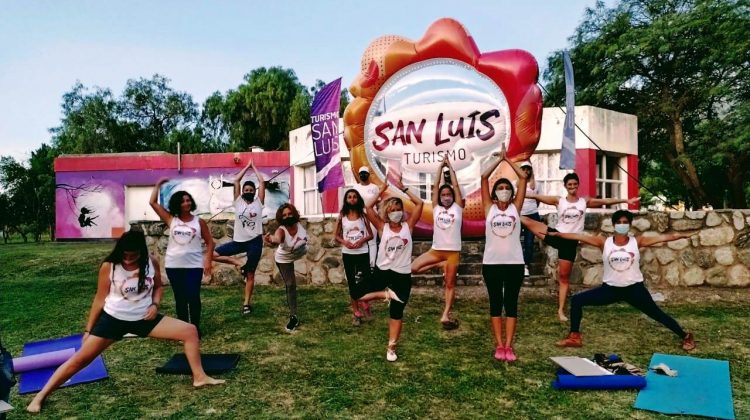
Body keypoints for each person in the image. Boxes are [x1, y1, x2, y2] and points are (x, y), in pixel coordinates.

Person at [26, 231, 224, 414]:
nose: (128, 259)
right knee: (80, 360)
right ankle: (41, 396)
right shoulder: (109, 266)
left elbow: (157, 287)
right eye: (125, 255)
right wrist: (88, 329)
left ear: (142, 251)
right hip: (113, 320)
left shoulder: (151, 262)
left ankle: (199, 377)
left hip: (144, 319)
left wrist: (155, 305)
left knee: (190, 331)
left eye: (133, 255)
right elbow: (99, 298)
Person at [550, 210, 696, 351]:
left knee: (657, 314)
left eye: (625, 222)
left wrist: (684, 235)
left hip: (634, 289)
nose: (622, 224)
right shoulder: (604, 242)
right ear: (614, 225)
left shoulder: (637, 241)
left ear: (629, 225)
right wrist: (557, 234)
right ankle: (574, 337)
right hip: (610, 290)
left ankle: (685, 336)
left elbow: (665, 237)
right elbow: (579, 237)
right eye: (619, 222)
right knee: (577, 300)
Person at [522, 173, 640, 321]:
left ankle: (560, 311)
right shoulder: (559, 200)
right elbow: (535, 197)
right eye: (569, 185)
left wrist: (626, 200)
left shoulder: (584, 202)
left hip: (570, 242)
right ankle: (506, 211)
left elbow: (605, 200)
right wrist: (515, 196)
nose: (572, 187)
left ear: (578, 185)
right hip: (555, 235)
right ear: (565, 186)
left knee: (564, 278)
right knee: (525, 220)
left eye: (574, 184)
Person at [356, 175, 424, 361]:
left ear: (402, 211)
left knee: (396, 313)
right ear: (386, 212)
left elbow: (419, 205)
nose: (396, 212)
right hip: (382, 272)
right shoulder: (381, 226)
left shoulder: (408, 226)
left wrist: (404, 188)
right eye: (392, 210)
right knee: (358, 294)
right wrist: (382, 187)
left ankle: (391, 348)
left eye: (398, 209)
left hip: (401, 274)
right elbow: (367, 208)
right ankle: (386, 294)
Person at [480, 145, 527, 362]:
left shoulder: (515, 208)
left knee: (511, 303)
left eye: (507, 187)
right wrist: (498, 161)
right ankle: (499, 345)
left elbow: (523, 178)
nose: (504, 190)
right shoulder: (489, 207)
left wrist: (509, 161)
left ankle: (509, 345)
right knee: (495, 303)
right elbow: (483, 177)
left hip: (515, 263)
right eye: (500, 187)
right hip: (491, 263)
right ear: (495, 192)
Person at [150, 179, 214, 333]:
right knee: (180, 298)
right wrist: (157, 184)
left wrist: (208, 261)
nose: (187, 203)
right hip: (174, 266)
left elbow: (210, 243)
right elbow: (152, 203)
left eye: (188, 200)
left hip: (194, 266)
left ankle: (195, 328)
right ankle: (184, 329)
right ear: (177, 204)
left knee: (193, 297)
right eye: (183, 201)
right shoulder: (171, 219)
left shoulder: (200, 222)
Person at [411, 157, 464, 330]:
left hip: (452, 253)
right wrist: (440, 167)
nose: (447, 197)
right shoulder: (436, 208)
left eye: (449, 195)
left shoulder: (458, 208)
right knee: (413, 268)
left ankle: (445, 314)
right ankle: (439, 264)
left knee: (449, 285)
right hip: (436, 251)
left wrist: (452, 169)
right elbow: (434, 188)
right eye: (444, 195)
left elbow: (456, 187)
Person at [212, 159, 265, 316]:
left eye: (251, 189)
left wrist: (254, 167)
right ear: (242, 191)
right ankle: (238, 263)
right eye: (246, 189)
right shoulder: (238, 202)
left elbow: (262, 181)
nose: (248, 191)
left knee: (250, 274)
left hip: (255, 242)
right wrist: (247, 166)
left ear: (254, 191)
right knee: (213, 254)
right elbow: (236, 180)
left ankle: (246, 303)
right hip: (239, 241)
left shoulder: (259, 203)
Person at [264, 203, 308, 333]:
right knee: (290, 284)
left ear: (294, 213)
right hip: (284, 258)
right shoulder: (281, 230)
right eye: (284, 215)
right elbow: (277, 238)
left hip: (301, 252)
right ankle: (294, 316)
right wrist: (271, 240)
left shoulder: (299, 224)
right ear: (281, 218)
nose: (288, 216)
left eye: (289, 213)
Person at [334, 189, 374, 326]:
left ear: (358, 199)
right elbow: (336, 235)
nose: (352, 199)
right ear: (346, 200)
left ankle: (364, 300)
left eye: (354, 197)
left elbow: (370, 235)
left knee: (366, 279)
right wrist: (345, 242)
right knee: (352, 282)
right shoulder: (342, 216)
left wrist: (362, 240)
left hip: (362, 252)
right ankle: (355, 311)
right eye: (349, 197)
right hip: (348, 253)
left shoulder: (363, 216)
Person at [352, 166, 380, 268]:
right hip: (359, 216)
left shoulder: (374, 187)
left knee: (372, 241)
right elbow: (353, 202)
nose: (363, 175)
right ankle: (360, 266)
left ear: (368, 175)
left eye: (365, 173)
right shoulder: (355, 187)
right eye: (361, 174)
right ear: (359, 175)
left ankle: (371, 265)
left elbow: (378, 202)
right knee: (360, 239)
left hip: (372, 215)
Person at [517, 162, 540, 277]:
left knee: (529, 242)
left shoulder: (536, 185)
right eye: (524, 169)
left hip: (532, 215)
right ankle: (516, 264)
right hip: (519, 216)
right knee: (515, 241)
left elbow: (538, 200)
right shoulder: (514, 184)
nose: (526, 171)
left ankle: (526, 266)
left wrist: (531, 209)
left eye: (528, 169)